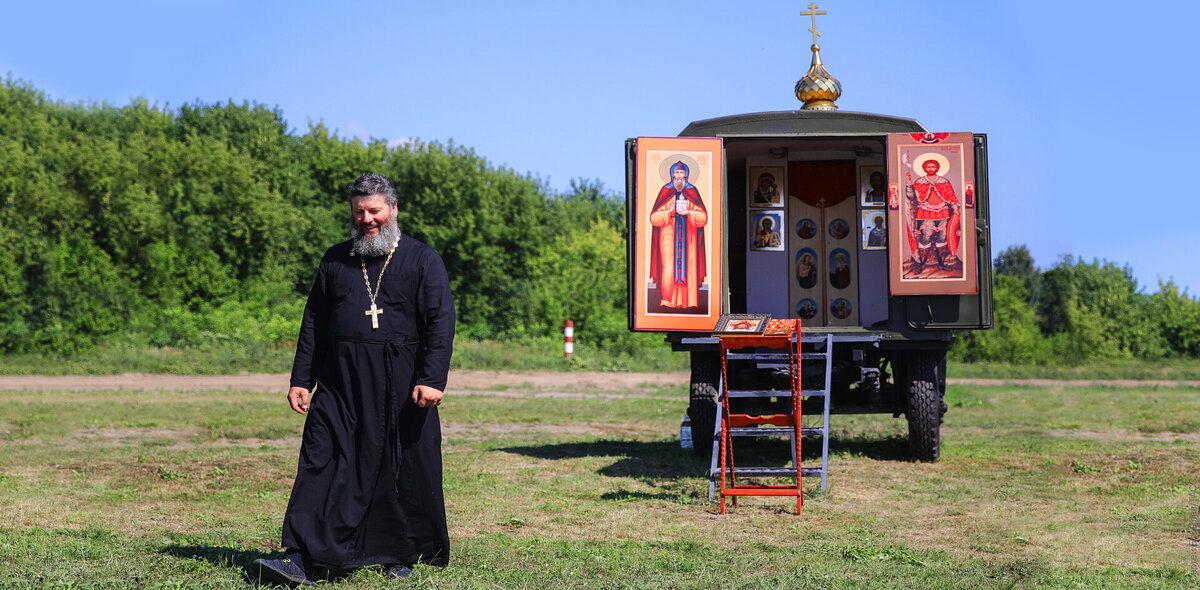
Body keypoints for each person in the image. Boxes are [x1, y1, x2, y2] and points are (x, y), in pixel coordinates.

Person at [253, 173, 455, 586]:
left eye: (375, 210)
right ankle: (299, 556)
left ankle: (401, 552)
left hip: (401, 383)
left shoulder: (421, 259)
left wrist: (432, 378)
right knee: (320, 459)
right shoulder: (336, 259)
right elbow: (314, 323)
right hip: (339, 382)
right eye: (359, 212)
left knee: (401, 466)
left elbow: (441, 321)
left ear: (393, 210)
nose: (367, 219)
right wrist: (301, 378)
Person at [649, 161, 708, 309]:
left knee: (690, 266)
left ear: (686, 175)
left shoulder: (692, 191)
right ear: (671, 175)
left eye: (681, 173)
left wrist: (688, 212)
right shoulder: (665, 191)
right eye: (676, 173)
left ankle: (690, 301)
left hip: (689, 234)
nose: (679, 176)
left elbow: (703, 218)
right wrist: (669, 212)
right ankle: (667, 299)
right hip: (668, 231)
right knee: (668, 266)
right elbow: (654, 218)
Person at [904, 156, 960, 273]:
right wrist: (909, 183)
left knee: (943, 236)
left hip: (942, 211)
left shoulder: (944, 182)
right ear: (924, 168)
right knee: (926, 236)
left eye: (933, 166)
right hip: (926, 211)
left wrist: (955, 208)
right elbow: (911, 196)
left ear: (937, 168)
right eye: (928, 167)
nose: (931, 169)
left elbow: (951, 197)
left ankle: (942, 263)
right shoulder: (920, 182)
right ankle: (922, 264)